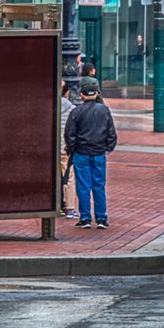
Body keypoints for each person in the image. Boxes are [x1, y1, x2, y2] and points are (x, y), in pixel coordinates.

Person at [63, 78, 118, 229]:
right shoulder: (104, 110)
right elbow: (111, 133)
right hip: (99, 152)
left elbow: (69, 134)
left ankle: (85, 218)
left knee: (83, 186)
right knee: (99, 186)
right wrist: (107, 148)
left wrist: (72, 148)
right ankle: (101, 218)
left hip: (81, 152)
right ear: (96, 94)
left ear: (81, 95)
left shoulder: (76, 111)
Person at [59, 81, 80, 215]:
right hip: (66, 149)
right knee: (69, 177)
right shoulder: (73, 110)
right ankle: (69, 207)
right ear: (67, 93)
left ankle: (56, 205)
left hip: (51, 149)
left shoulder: (49, 107)